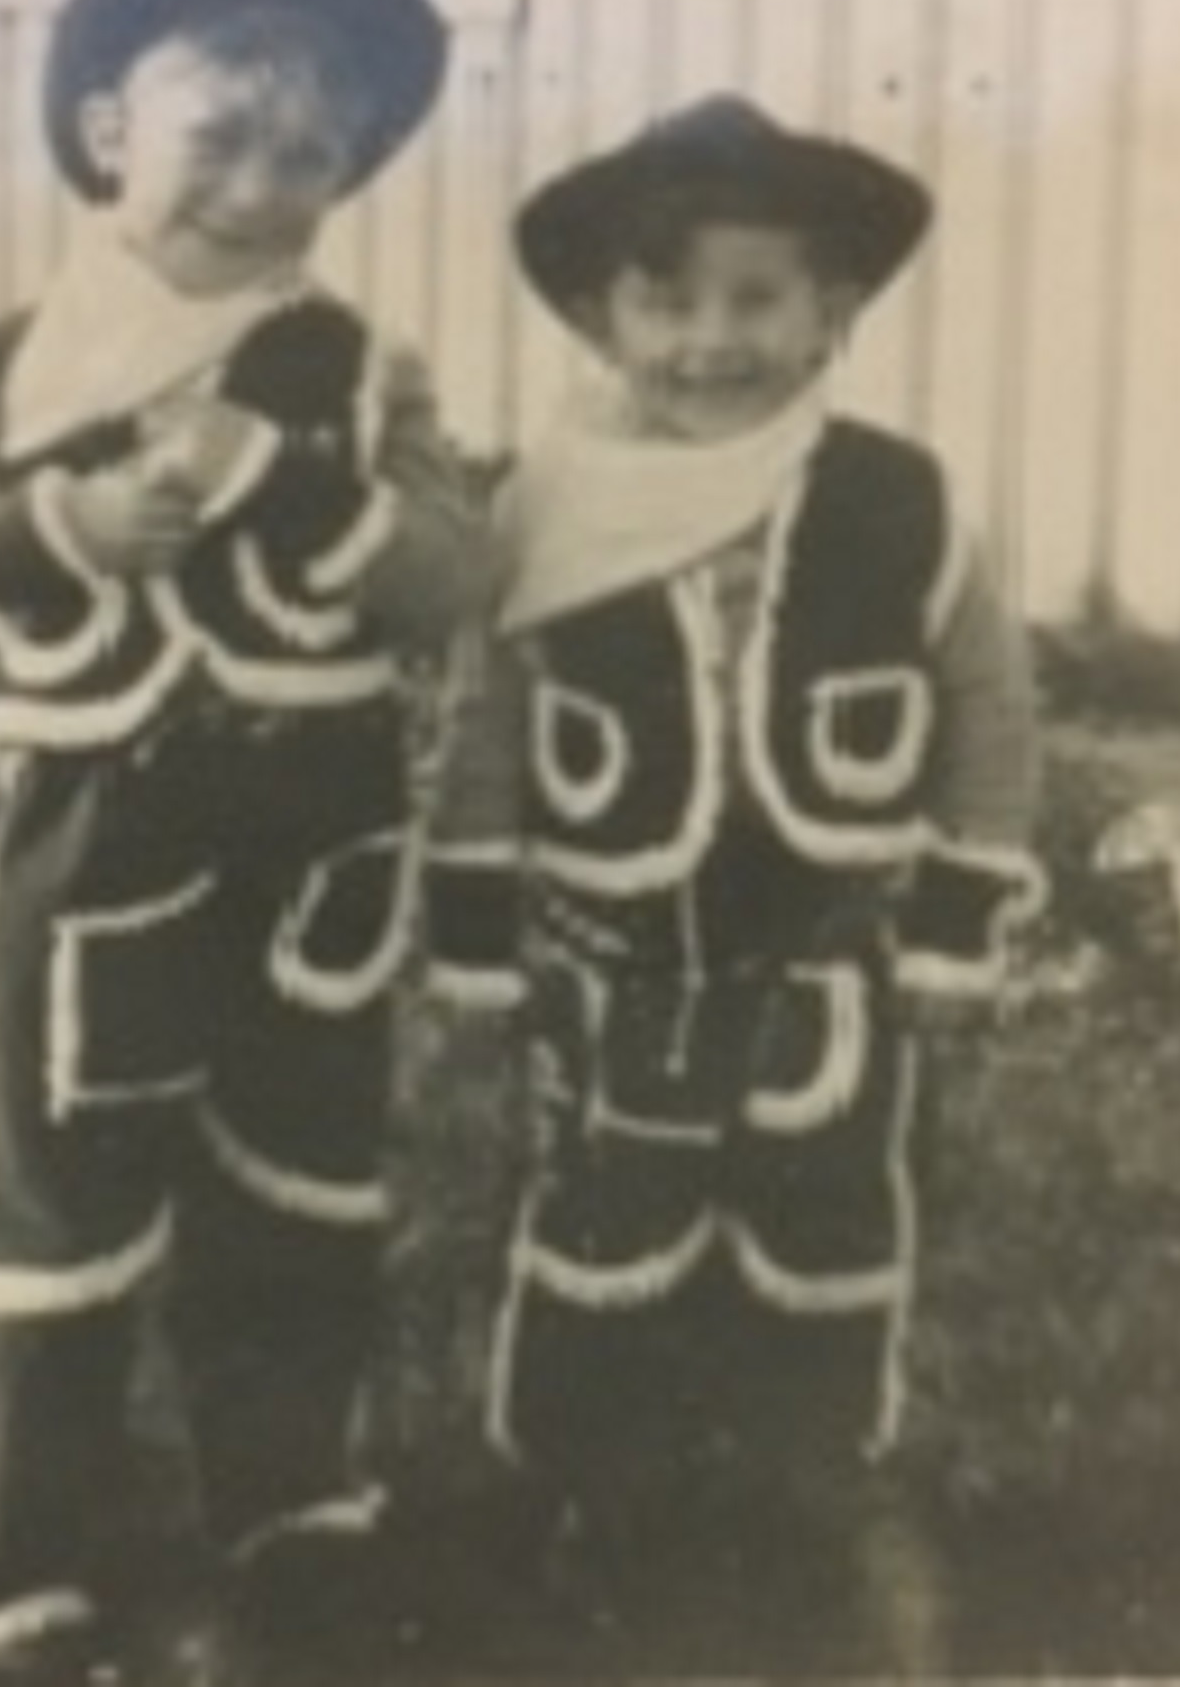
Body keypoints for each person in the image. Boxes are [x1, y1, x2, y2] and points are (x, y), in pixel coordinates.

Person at [0, 0, 489, 1673]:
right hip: (87, 847)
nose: (259, 187)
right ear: (109, 125)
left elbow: (447, 578)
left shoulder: (359, 369)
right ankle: (11, 1554)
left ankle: (291, 1512)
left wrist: (286, 483)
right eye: (217, 139)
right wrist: (40, 532)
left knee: (300, 1183)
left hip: (314, 858)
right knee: (58, 1195)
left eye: (307, 159)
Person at [424, 93, 1046, 1669]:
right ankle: (590, 1481)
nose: (716, 339)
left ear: (833, 309)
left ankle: (807, 1480)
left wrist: (963, 908)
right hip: (613, 950)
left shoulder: (898, 499)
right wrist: (478, 931)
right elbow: (488, 715)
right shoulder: (549, 503)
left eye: (760, 300)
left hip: (828, 959)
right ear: (599, 315)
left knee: (828, 1211)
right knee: (598, 1210)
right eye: (669, 299)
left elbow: (990, 700)